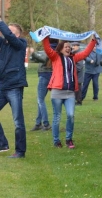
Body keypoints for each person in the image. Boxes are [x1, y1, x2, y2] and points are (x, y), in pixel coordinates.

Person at [42, 36, 96, 148]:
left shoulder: (74, 58)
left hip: (70, 92)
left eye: (69, 47)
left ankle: (69, 139)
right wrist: (45, 37)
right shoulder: (55, 57)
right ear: (61, 48)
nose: (68, 48)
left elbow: (85, 53)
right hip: (57, 92)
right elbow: (47, 49)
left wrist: (93, 41)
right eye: (66, 47)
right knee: (57, 117)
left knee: (71, 115)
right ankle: (56, 141)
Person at [0, 21, 28, 158]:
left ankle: (20, 151)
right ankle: (2, 144)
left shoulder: (21, 44)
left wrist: (0, 22)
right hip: (2, 85)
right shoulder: (3, 44)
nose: (5, 33)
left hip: (14, 86)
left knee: (18, 121)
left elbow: (8, 36)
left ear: (16, 34)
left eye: (9, 31)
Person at [30, 38, 59, 131]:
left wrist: (33, 53)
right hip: (50, 75)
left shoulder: (50, 49)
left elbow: (44, 60)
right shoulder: (56, 49)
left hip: (44, 75)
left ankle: (46, 124)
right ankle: (38, 123)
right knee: (40, 100)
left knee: (40, 100)